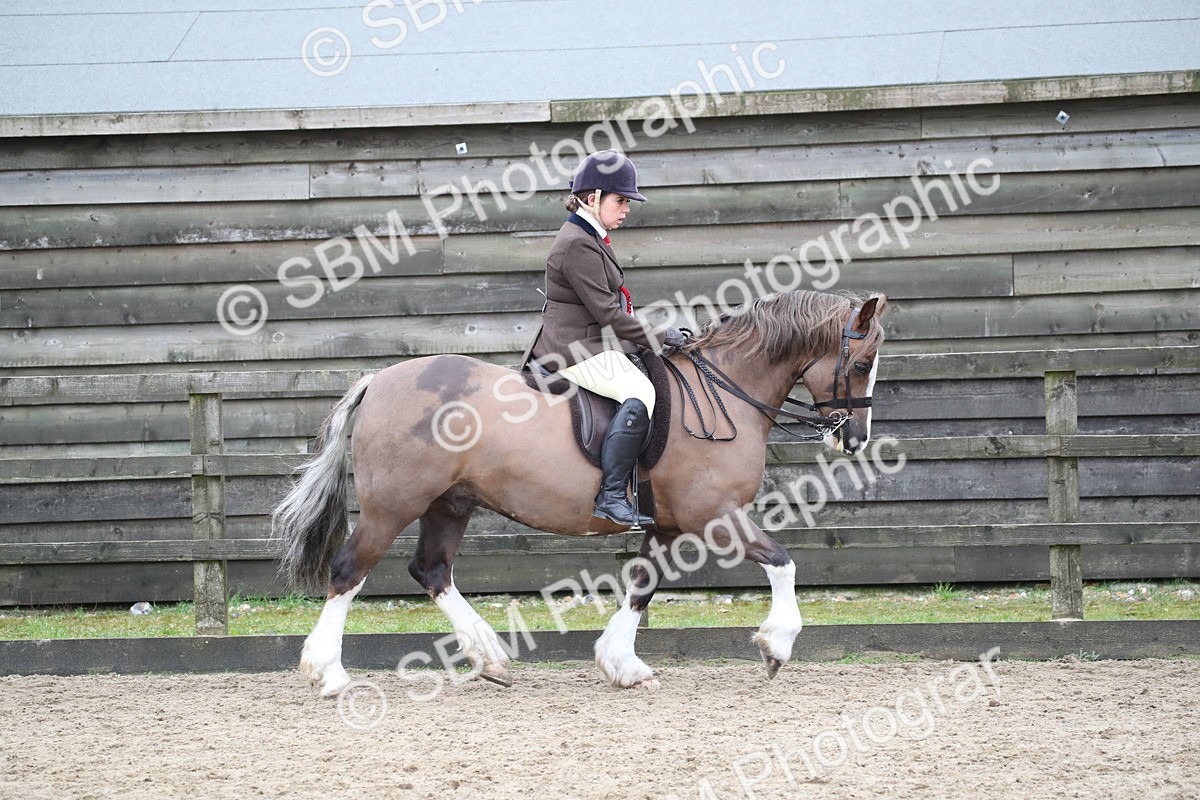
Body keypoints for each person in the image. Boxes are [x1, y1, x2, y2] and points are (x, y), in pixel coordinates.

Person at [521, 149, 685, 527]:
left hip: (593, 338)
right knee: (641, 392)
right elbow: (609, 315)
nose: (626, 208)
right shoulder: (577, 243)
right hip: (573, 348)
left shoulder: (591, 236)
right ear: (592, 198)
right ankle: (611, 496)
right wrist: (660, 334)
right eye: (621, 200)